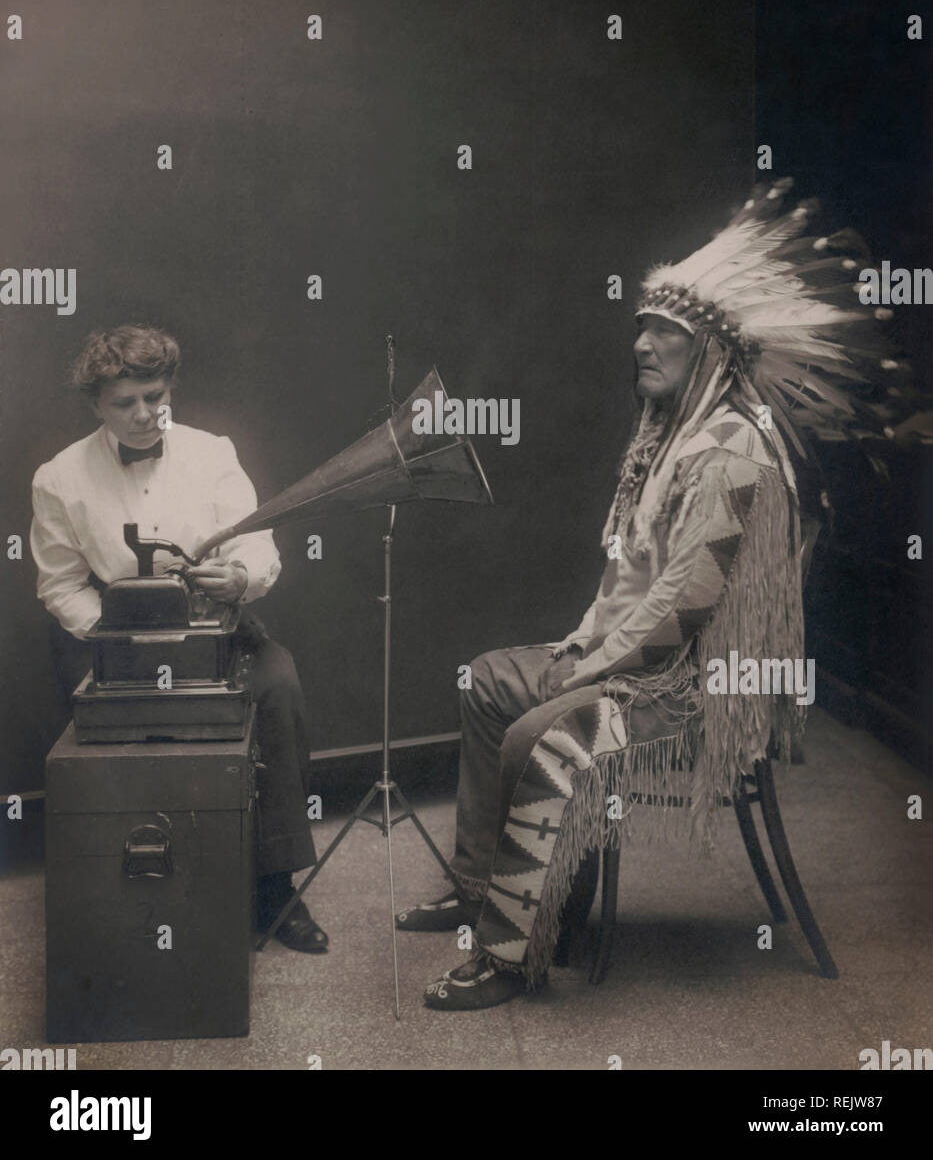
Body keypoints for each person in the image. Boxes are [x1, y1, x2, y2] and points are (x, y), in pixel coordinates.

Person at [398, 179, 905, 1010]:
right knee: (491, 677)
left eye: (664, 330)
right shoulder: (670, 435)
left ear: (709, 352)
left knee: (546, 730)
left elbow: (685, 603)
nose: (640, 342)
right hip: (641, 658)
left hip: (696, 687)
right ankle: (480, 886)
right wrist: (582, 646)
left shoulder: (731, 449)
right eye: (640, 325)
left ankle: (510, 952)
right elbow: (633, 571)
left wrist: (590, 668)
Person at [30, 324, 328, 954]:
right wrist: (115, 634)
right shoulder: (58, 478)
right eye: (125, 403)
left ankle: (274, 886)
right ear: (96, 406)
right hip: (118, 642)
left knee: (277, 688)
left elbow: (257, 542)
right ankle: (149, 884)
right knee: (115, 726)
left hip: (218, 627)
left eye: (155, 397)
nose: (144, 415)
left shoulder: (212, 452)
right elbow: (59, 585)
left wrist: (240, 576)